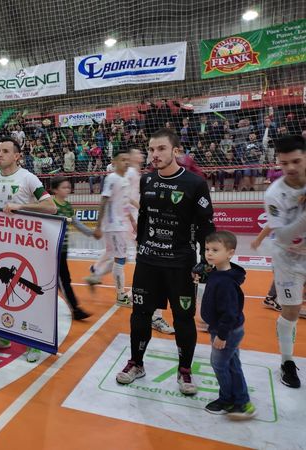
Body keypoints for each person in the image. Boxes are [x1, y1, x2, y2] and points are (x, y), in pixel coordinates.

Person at [115, 128, 215, 396]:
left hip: (180, 265)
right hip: (148, 263)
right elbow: (145, 217)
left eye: (160, 149)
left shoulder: (195, 184)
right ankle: (137, 363)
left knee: (183, 319)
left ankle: (185, 370)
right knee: (140, 316)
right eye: (151, 149)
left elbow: (206, 227)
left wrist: (206, 263)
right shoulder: (146, 181)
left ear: (176, 151)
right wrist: (143, 244)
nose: (154, 154)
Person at [0, 137, 57, 363]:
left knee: (26, 294)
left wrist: (21, 206)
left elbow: (50, 207)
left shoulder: (28, 178)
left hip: (25, 247)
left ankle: (33, 342)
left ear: (17, 155)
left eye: (5, 151)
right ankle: (0, 336)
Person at [263, 135, 306, 388]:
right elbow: (285, 234)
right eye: (284, 163)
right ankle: (287, 362)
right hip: (288, 256)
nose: (290, 167)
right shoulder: (274, 193)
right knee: (290, 311)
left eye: (296, 161)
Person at [201, 231, 256, 419]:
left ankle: (227, 399)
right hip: (226, 328)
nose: (209, 253)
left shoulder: (225, 282)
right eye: (207, 249)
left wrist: (222, 335)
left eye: (215, 250)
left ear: (230, 253)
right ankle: (242, 400)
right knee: (232, 362)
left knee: (219, 364)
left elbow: (230, 313)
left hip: (226, 331)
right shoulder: (220, 273)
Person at [127, 148, 175, 335]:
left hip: (145, 225)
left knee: (145, 266)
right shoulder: (134, 175)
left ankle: (139, 300)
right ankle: (154, 316)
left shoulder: (142, 175)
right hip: (142, 225)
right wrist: (144, 212)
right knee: (151, 267)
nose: (143, 155)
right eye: (140, 153)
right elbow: (130, 198)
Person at [84, 149, 134, 307]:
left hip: (120, 225)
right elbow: (103, 202)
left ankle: (95, 276)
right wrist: (98, 226)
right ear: (115, 162)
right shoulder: (112, 178)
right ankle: (120, 296)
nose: (126, 162)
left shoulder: (124, 179)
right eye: (122, 159)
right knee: (120, 259)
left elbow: (126, 203)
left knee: (119, 258)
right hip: (112, 226)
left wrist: (133, 220)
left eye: (128, 160)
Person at [51, 177, 91, 321]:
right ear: (55, 190)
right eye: (64, 187)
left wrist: (93, 233)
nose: (67, 190)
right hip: (54, 249)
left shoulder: (67, 206)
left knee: (61, 280)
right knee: (63, 280)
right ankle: (75, 309)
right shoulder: (50, 205)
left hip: (64, 249)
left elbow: (77, 223)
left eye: (68, 187)